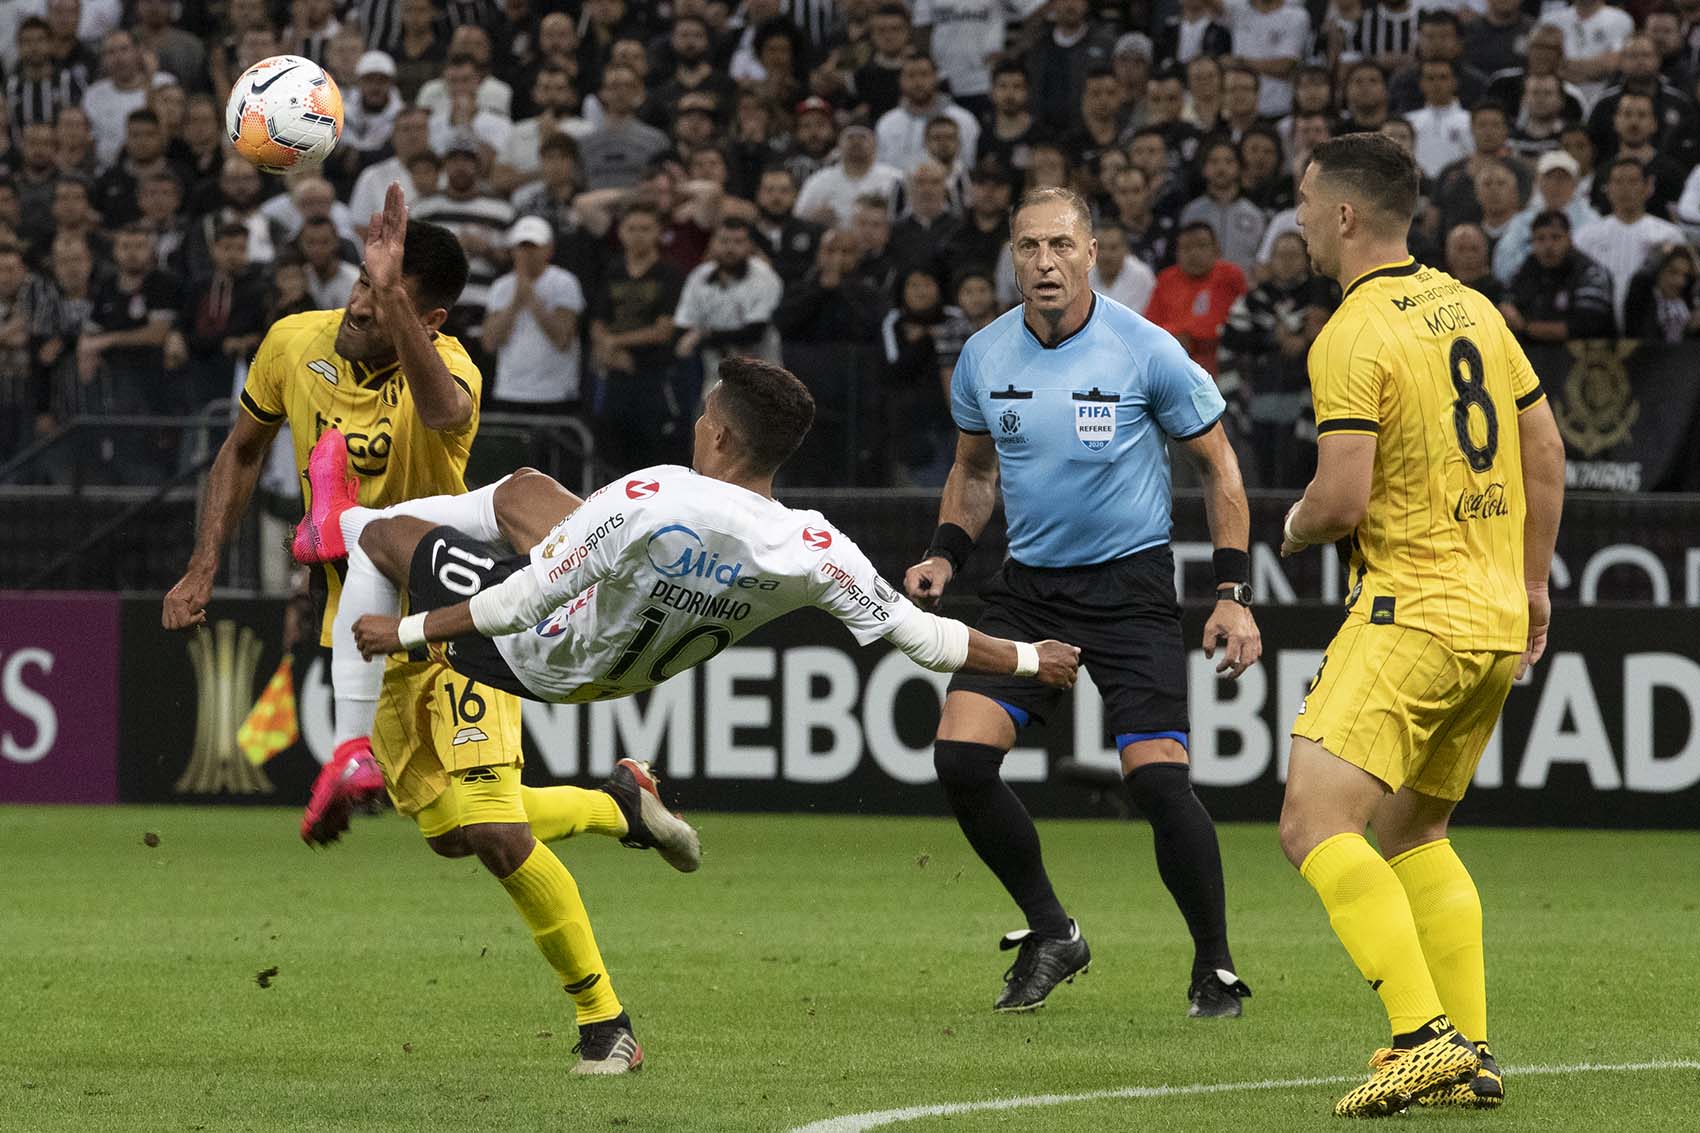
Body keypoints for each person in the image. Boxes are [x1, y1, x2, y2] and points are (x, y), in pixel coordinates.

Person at [294, 356, 1082, 1070]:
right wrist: (1026, 656)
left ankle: (351, 741)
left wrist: (408, 629)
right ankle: (622, 804)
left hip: (535, 647)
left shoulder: (660, 491)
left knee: (370, 538)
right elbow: (924, 638)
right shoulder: (813, 546)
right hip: (619, 670)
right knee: (520, 490)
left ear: (717, 433)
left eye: (703, 415)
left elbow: (524, 597)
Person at [904, 186, 1261, 1018]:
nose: (1045, 263)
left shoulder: (1147, 350)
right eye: (1029, 247)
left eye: (1062, 245)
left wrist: (1233, 595)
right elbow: (976, 471)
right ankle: (1052, 931)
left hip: (1130, 585)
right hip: (1029, 588)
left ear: (1093, 252)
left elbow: (1221, 470)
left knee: (1159, 784)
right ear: (1013, 258)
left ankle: (1214, 966)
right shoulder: (985, 357)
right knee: (959, 758)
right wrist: (944, 554)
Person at [1282, 131, 1565, 1116]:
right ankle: (1472, 1049)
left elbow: (1340, 499)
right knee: (1413, 828)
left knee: (1311, 819)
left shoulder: (1350, 332)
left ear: (1345, 213)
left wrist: (1289, 524)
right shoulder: (1469, 306)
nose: (1301, 219)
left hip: (1410, 611)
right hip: (1488, 619)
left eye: (1306, 202)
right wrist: (1529, 583)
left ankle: (1419, 1033)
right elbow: (1544, 448)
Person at [1500, 210, 1616, 343]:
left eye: (1556, 237)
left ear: (1569, 239)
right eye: (1540, 239)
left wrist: (1525, 327)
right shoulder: (1526, 269)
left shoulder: (1590, 273)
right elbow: (1507, 303)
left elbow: (1584, 327)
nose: (1548, 246)